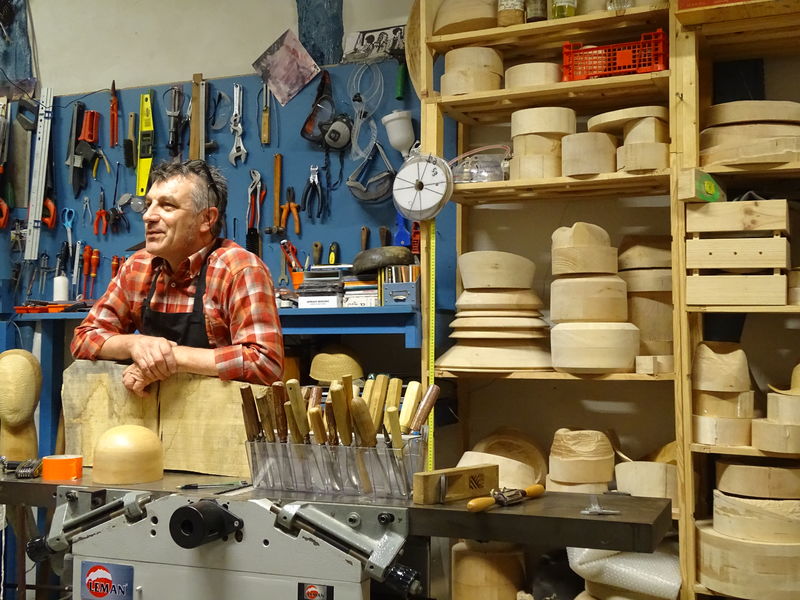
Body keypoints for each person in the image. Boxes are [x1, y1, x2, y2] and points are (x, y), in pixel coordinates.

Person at [71, 160, 284, 397]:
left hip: (222, 419)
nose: (148, 216)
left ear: (207, 219)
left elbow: (265, 363)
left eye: (167, 206)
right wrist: (135, 345)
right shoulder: (137, 267)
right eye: (149, 204)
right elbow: (84, 338)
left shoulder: (239, 269)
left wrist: (172, 358)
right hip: (153, 412)